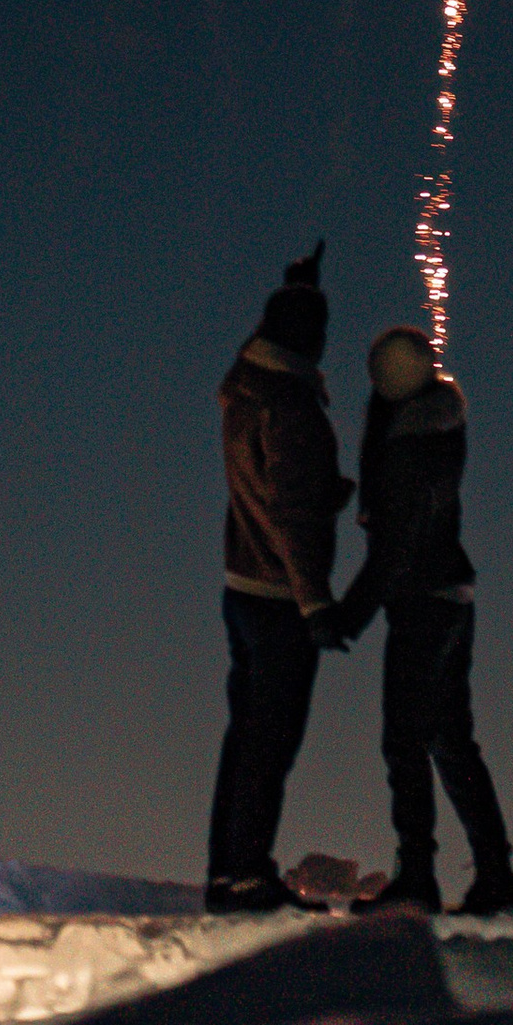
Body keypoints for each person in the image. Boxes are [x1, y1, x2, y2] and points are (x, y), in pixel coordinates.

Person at [335, 325, 513, 917]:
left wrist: (348, 616)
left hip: (422, 602)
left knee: (406, 739)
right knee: (448, 739)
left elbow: (396, 545)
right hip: (448, 598)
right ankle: (495, 875)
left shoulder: (412, 444)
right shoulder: (429, 426)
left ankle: (418, 877)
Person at [204, 241, 353, 914]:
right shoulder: (291, 407)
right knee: (271, 743)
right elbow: (291, 513)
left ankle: (226, 874)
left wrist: (296, 286)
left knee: (244, 740)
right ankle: (247, 878)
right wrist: (316, 605)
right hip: (277, 599)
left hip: (242, 588)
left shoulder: (247, 383)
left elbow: (274, 493)